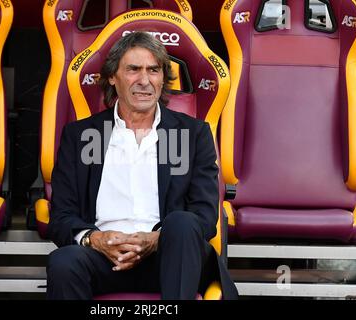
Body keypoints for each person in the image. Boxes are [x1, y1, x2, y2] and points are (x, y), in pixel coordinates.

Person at [46, 31, 238, 300]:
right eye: (133, 69)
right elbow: (61, 218)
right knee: (63, 262)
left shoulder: (191, 134)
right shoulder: (82, 136)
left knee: (183, 224)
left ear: (163, 79)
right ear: (113, 77)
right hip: (104, 257)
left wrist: (156, 240)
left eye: (154, 70)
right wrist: (95, 239)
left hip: (170, 257)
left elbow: (205, 218)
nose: (145, 81)